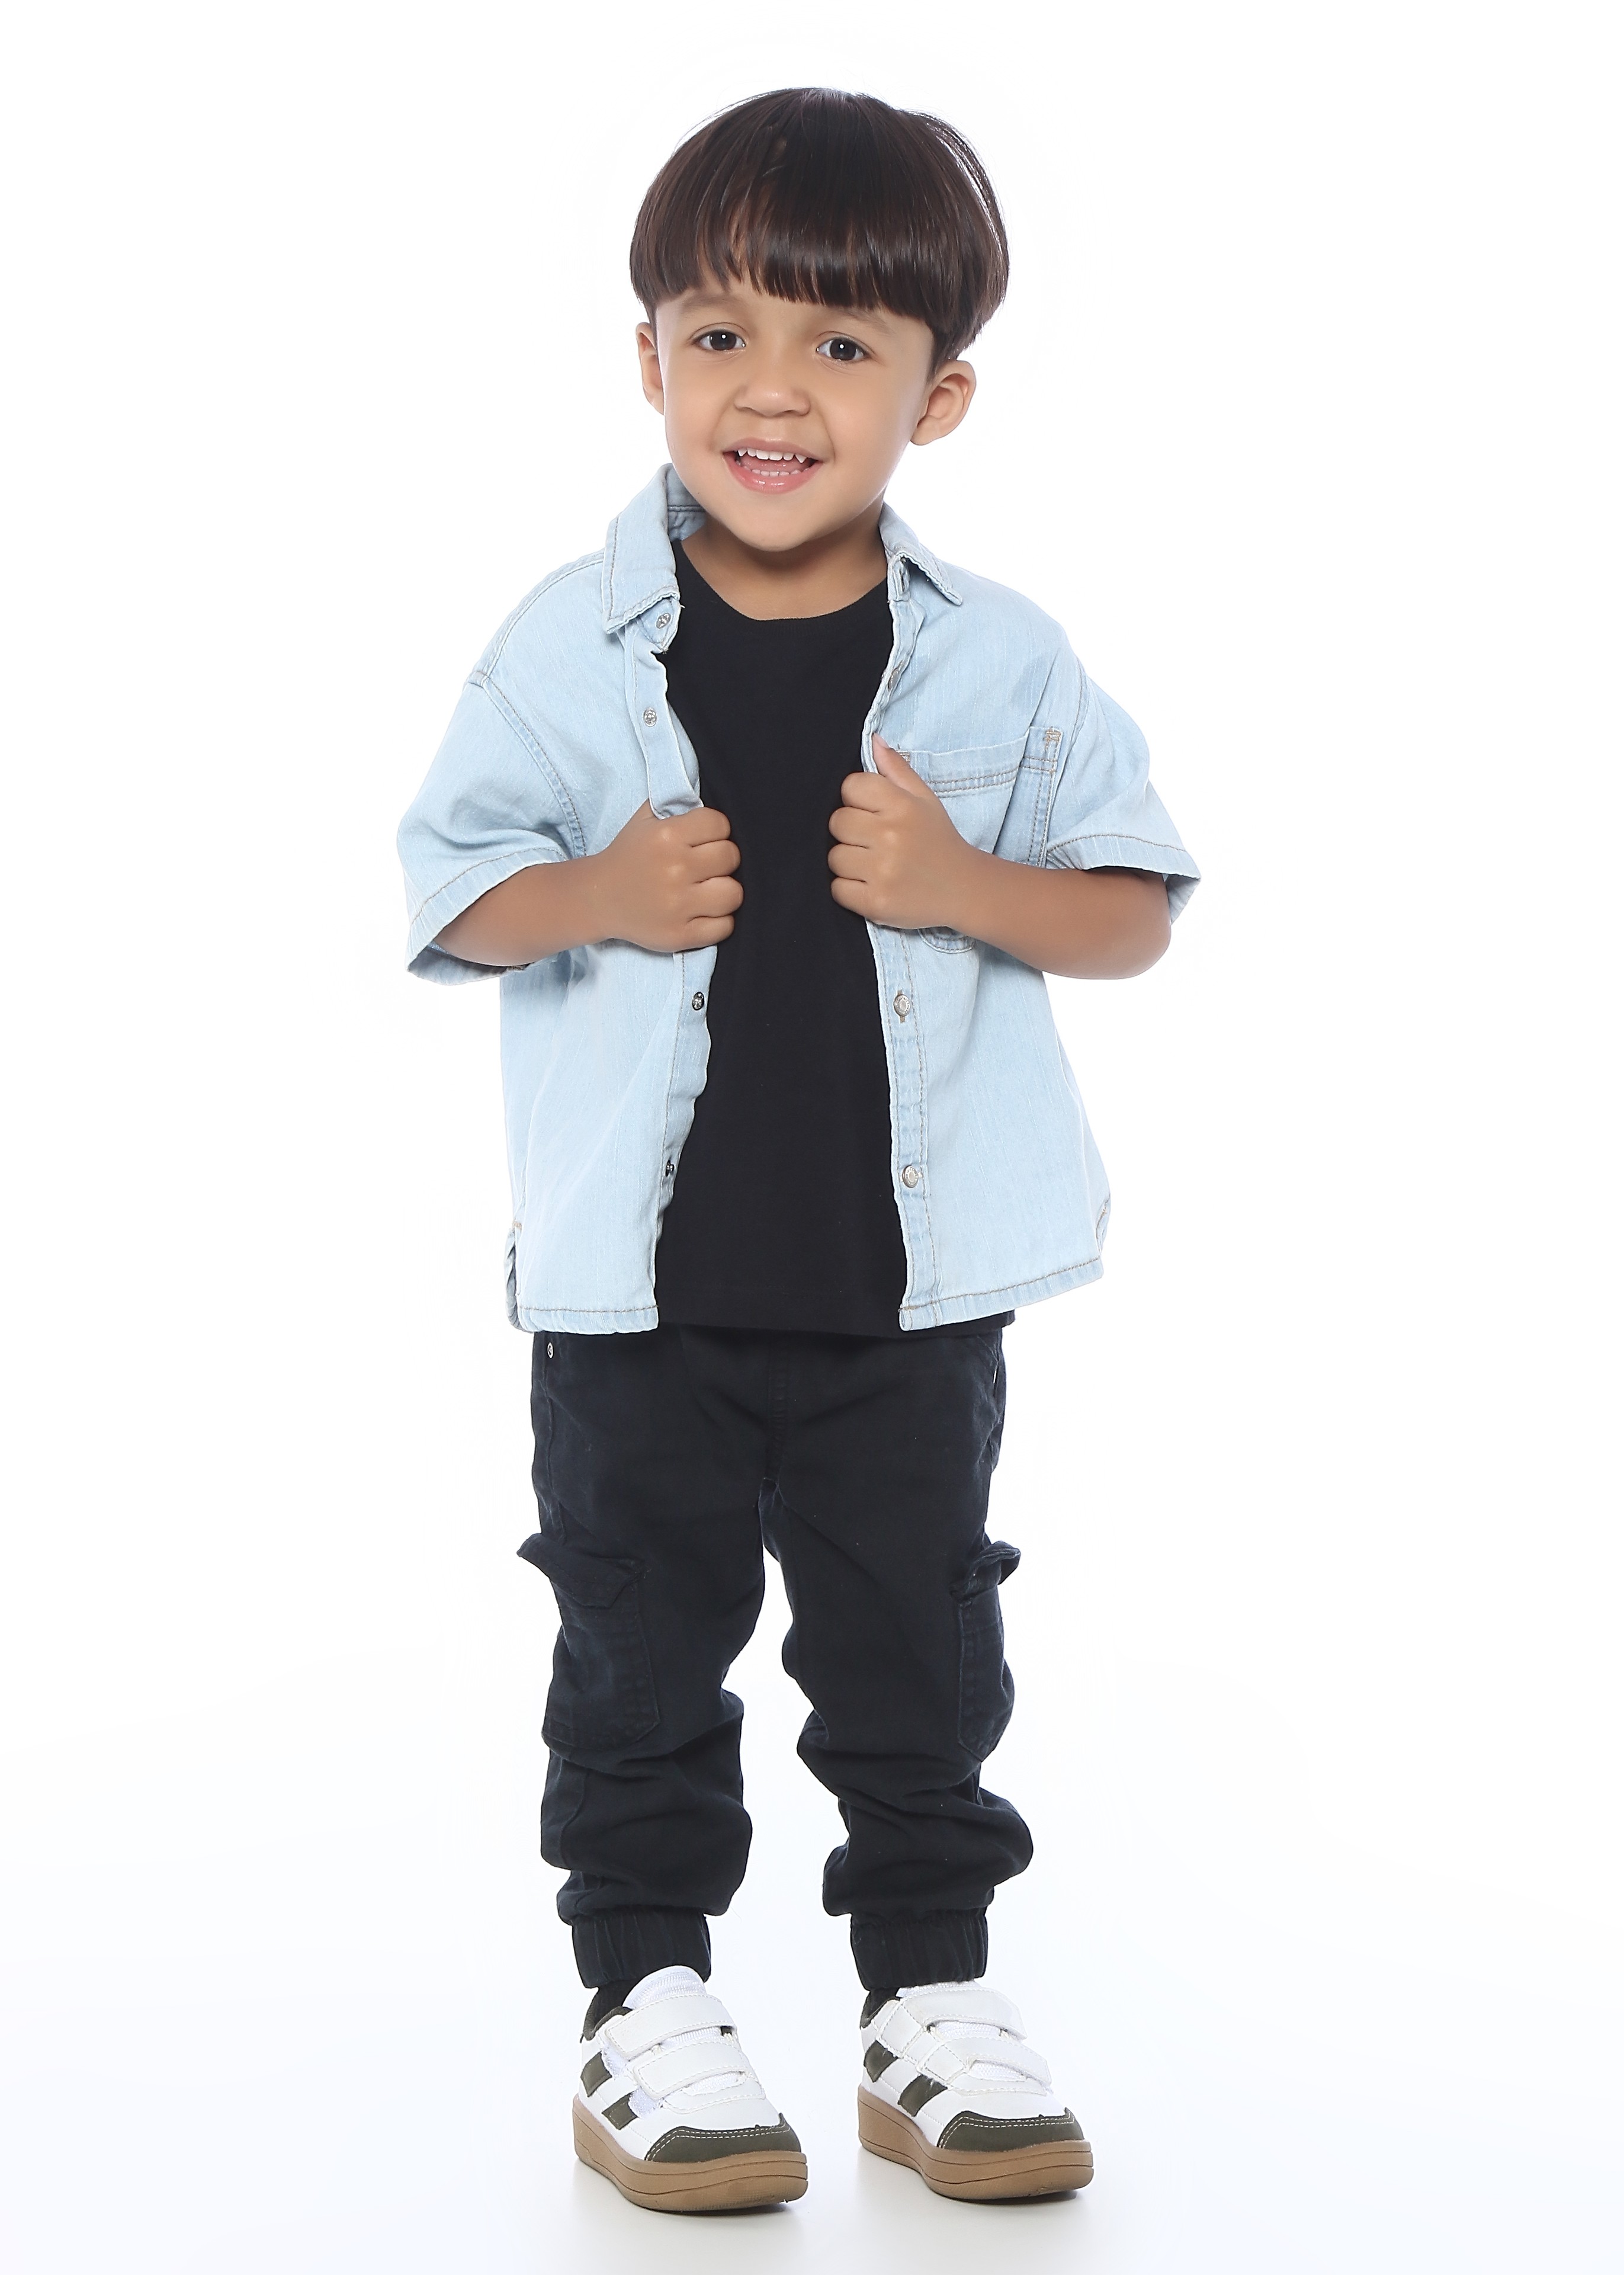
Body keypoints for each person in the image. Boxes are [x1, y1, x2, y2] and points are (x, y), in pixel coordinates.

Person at [397, 86, 1198, 2215]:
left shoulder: (999, 659)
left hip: (902, 1302)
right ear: (646, 357)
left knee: (918, 1656)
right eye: (720, 332)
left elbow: (1134, 906)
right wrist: (592, 894)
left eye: (842, 344)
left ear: (941, 397)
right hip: (634, 1302)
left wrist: (963, 884)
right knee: (635, 1653)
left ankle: (930, 2004)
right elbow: (448, 891)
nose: (772, 389)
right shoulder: (565, 646)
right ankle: (645, 2002)